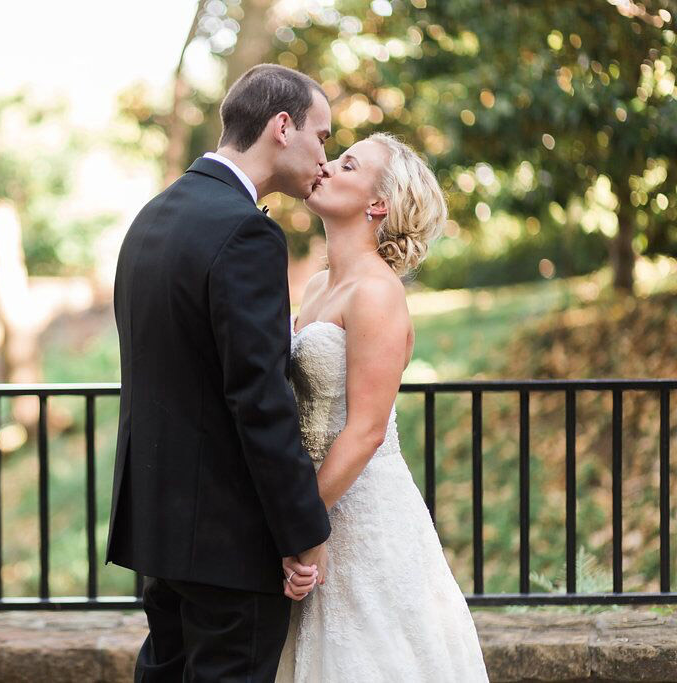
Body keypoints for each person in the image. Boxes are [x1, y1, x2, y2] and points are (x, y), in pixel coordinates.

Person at [107, 64, 334, 682]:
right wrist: (300, 532)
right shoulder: (245, 233)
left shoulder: (152, 218)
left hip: (160, 527)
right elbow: (258, 398)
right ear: (281, 127)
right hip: (228, 539)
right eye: (323, 136)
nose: (324, 156)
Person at [274, 133, 489, 681]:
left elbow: (366, 431)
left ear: (379, 205)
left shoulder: (377, 293)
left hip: (360, 509)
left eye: (347, 164)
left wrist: (300, 526)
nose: (325, 165)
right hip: (317, 503)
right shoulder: (320, 285)